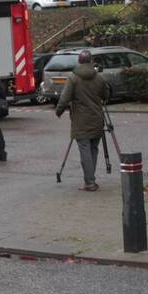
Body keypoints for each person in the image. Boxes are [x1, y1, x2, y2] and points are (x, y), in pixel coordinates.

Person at [54, 50, 111, 192]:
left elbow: (64, 98)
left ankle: (90, 182)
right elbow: (106, 95)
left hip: (80, 121)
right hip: (97, 118)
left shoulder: (74, 78)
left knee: (85, 150)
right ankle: (91, 179)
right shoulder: (99, 77)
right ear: (91, 61)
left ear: (79, 61)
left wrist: (59, 111)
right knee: (93, 149)